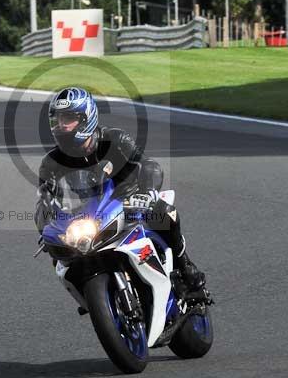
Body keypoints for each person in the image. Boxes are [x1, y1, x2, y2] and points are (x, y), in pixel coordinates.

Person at [34, 86, 207, 291]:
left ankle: (184, 263)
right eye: (58, 120)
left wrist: (147, 192)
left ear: (85, 119)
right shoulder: (51, 163)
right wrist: (47, 226)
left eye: (68, 119)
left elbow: (149, 166)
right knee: (61, 258)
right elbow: (44, 201)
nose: (62, 126)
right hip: (93, 218)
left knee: (165, 213)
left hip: (131, 205)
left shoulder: (114, 140)